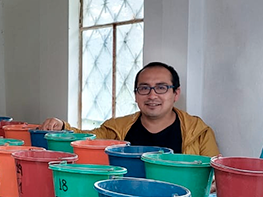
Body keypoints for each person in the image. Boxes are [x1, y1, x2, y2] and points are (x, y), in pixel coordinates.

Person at [41, 62, 219, 156]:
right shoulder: (116, 129)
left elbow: (214, 176)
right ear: (135, 95)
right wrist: (62, 126)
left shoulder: (199, 132)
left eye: (161, 87)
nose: (152, 95)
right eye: (144, 88)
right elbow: (86, 140)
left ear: (176, 93)